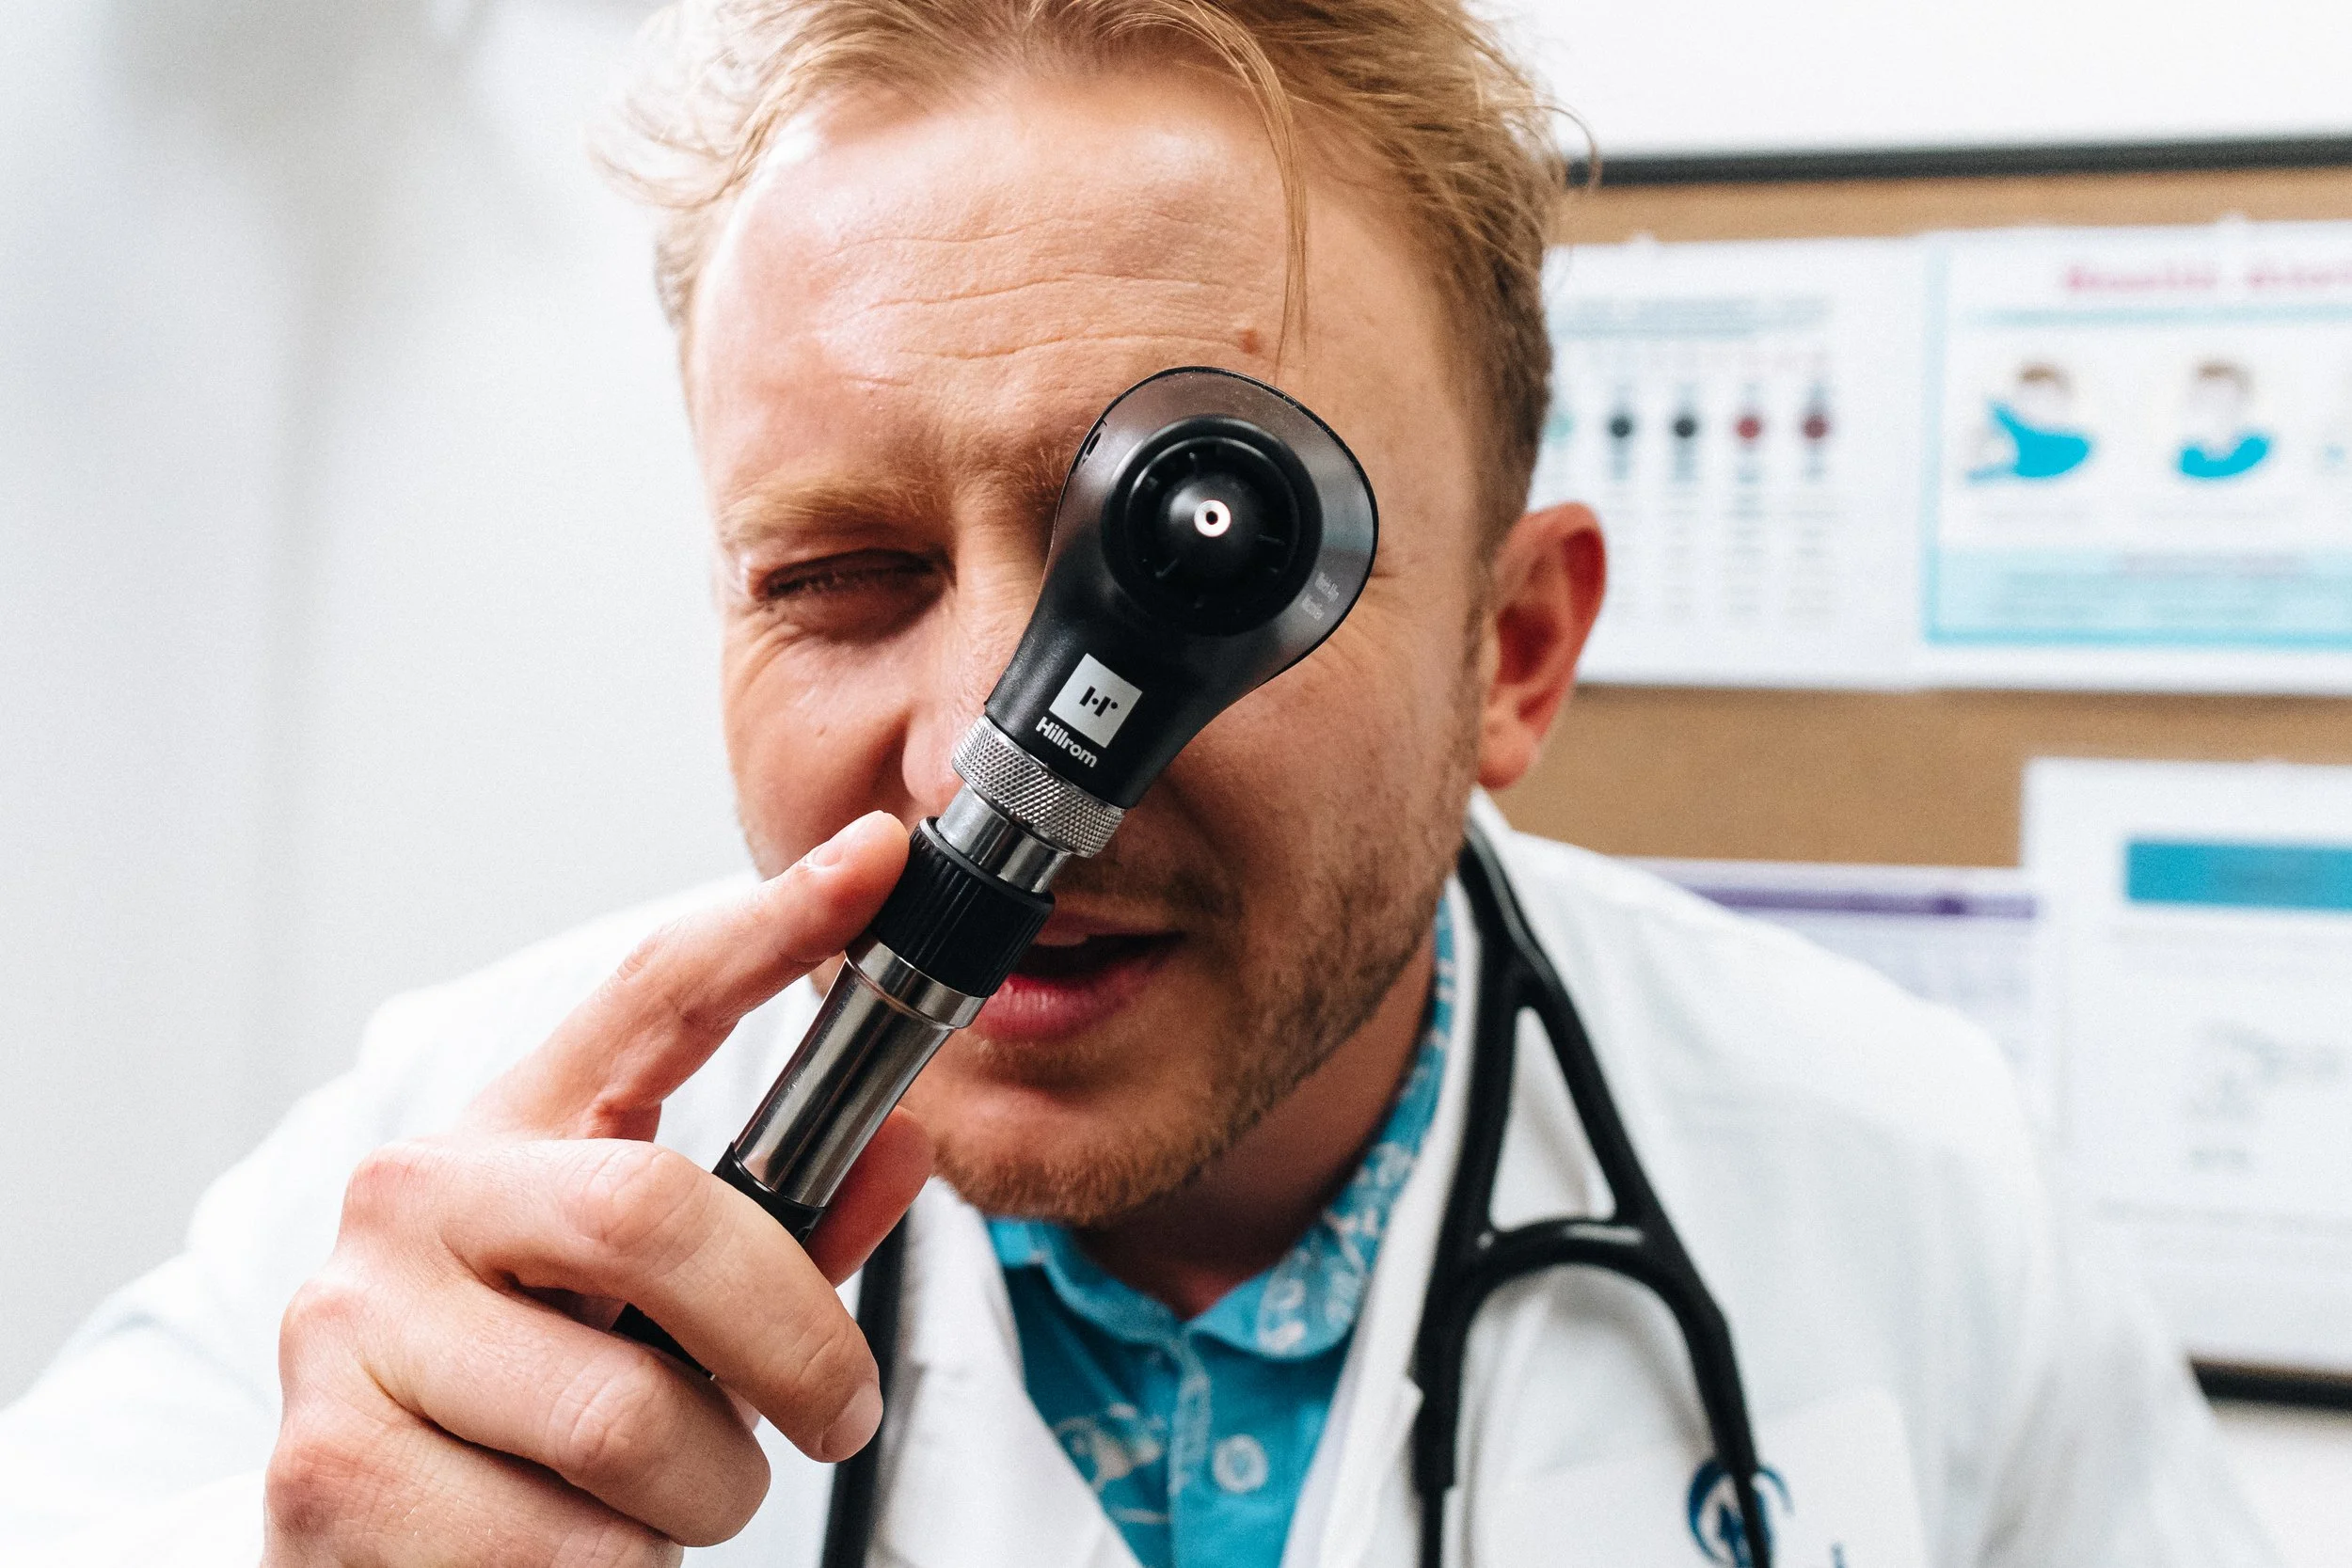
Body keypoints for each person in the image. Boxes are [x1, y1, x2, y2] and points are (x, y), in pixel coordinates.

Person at [0, 2, 2278, 1564]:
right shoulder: (419, 1216)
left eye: (1194, 565)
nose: (1003, 759)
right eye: (844, 571)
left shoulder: (1914, 1183)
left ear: (1513, 650)